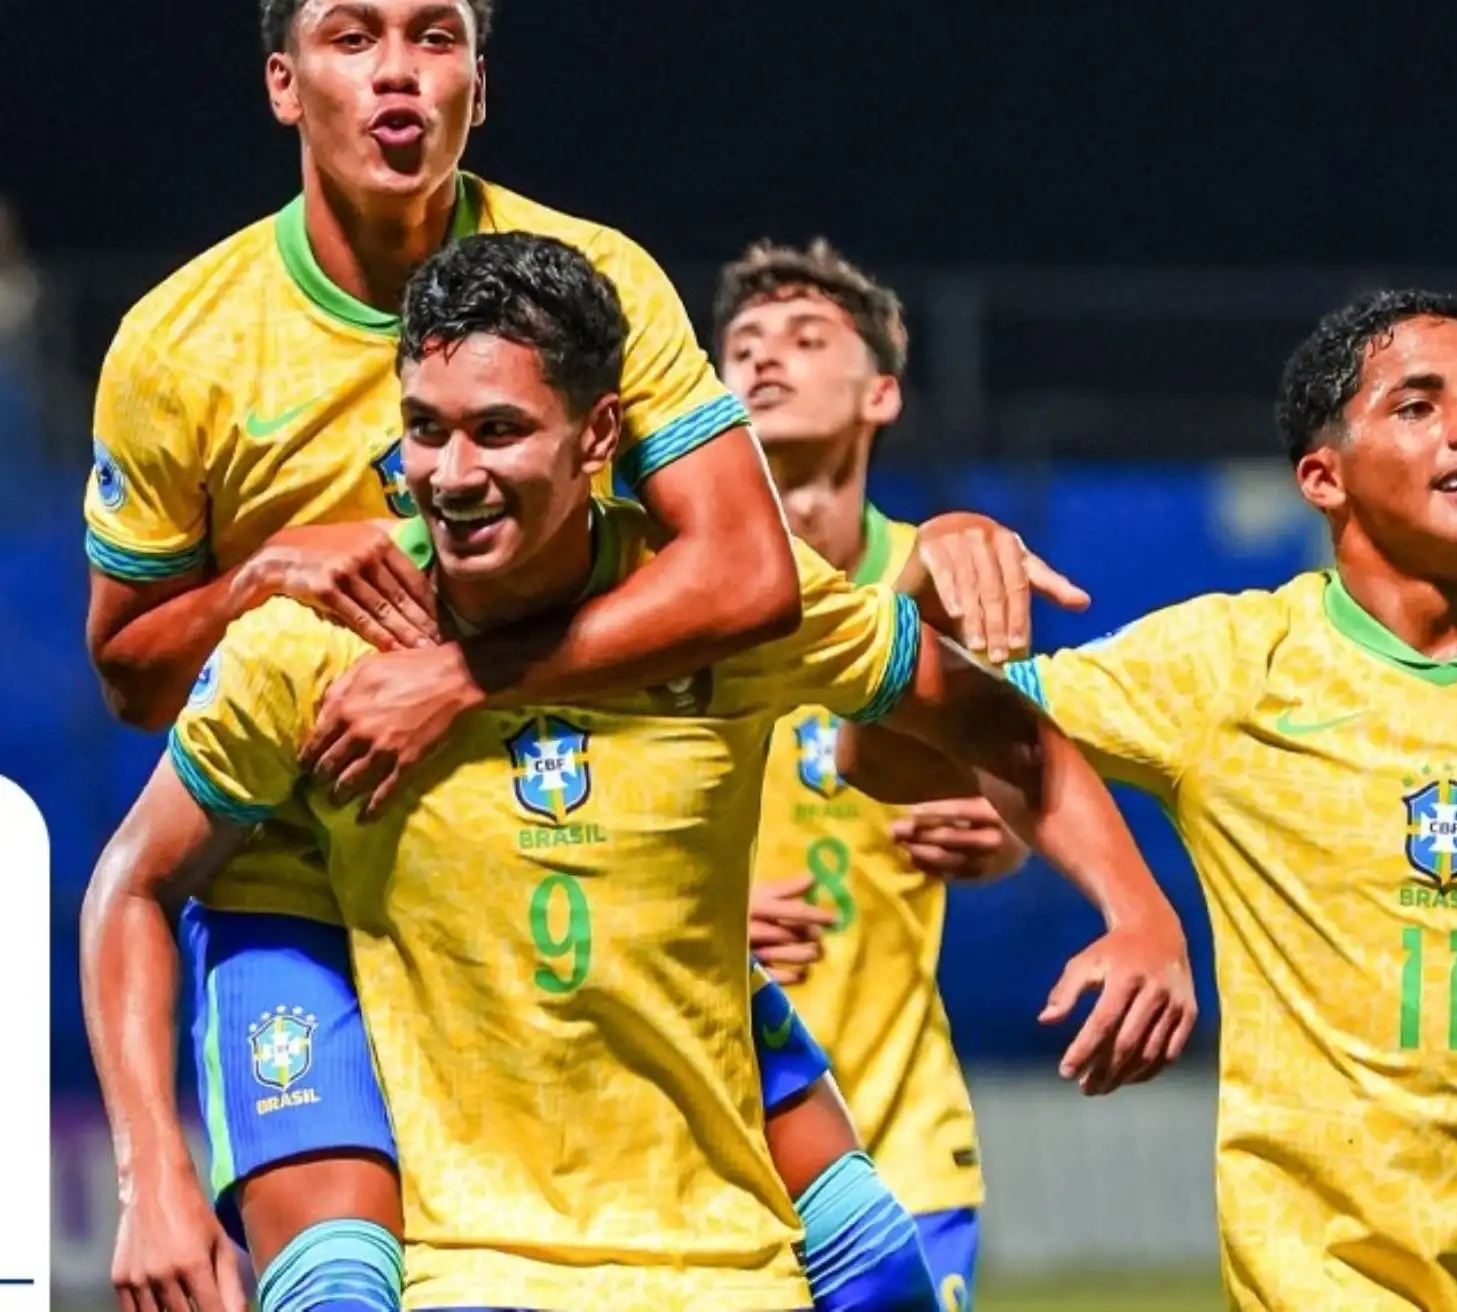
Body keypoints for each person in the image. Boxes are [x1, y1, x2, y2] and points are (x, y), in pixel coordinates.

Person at [79, 0, 1064, 1308]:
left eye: (437, 38)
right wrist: (260, 575)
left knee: (872, 1274)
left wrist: (464, 681)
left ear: (483, 83)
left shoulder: (595, 285)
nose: (400, 71)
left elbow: (746, 570)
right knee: (345, 1284)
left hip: (558, 857)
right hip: (300, 881)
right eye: (354, 39)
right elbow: (128, 672)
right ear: (285, 84)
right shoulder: (181, 345)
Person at [83, 232, 1198, 1312]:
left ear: (599, 433)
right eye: (424, 431)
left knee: (883, 1277)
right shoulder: (315, 648)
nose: (453, 475)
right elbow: (134, 878)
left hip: (733, 1253)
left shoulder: (745, 610)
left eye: (500, 430)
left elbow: (1002, 731)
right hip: (475, 1266)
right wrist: (156, 1180)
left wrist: (1139, 911)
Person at [848, 288, 1457, 1310]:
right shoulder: (1225, 664)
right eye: (1418, 405)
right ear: (1323, 477)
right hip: (1317, 1284)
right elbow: (892, 754)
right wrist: (919, 576)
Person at [715, 240, 1029, 1310]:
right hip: (709, 1129)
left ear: (881, 392)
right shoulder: (666, 590)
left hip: (900, 1129)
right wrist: (692, 914)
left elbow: (1028, 780)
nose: (765, 361)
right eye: (742, 347)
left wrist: (1006, 836)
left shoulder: (944, 580)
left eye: (807, 341)